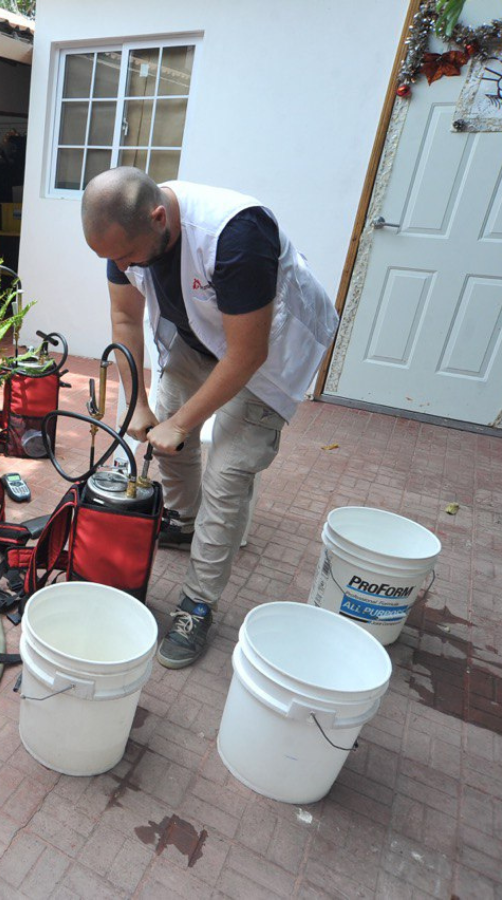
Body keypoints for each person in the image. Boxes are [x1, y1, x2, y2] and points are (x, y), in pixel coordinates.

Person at [81, 168, 338, 669]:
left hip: (268, 352)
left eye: (127, 256)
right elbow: (125, 318)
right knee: (165, 440)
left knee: (227, 472)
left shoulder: (236, 236)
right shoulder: (124, 236)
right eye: (110, 259)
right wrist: (136, 402)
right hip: (195, 337)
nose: (120, 266)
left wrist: (180, 422)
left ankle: (198, 602)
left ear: (159, 219)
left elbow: (247, 354)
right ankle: (188, 521)